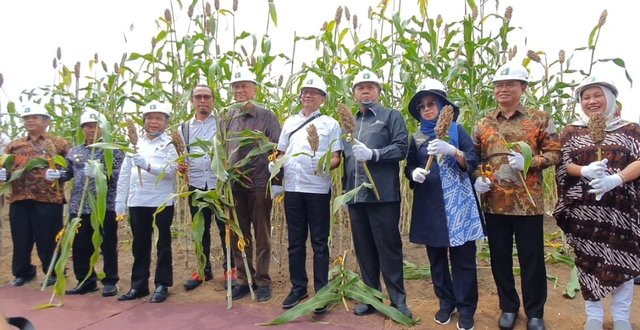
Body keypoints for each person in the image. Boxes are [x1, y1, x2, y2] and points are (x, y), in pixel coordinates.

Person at [472, 62, 561, 330]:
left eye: (509, 84)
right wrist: (479, 178)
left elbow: (556, 153)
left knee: (531, 259)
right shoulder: (484, 122)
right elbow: (475, 157)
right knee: (499, 258)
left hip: (527, 204)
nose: (503, 89)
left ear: (522, 87)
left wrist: (531, 162)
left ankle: (535, 312)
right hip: (494, 203)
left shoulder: (539, 119)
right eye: (499, 85)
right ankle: (508, 307)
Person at [553, 76, 640, 330]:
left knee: (622, 258)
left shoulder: (630, 129)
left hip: (621, 210)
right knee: (588, 260)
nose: (592, 101)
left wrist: (616, 178)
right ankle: (594, 315)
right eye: (586, 97)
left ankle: (622, 316)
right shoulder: (571, 131)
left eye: (597, 95)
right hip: (585, 210)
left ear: (610, 98)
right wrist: (584, 170)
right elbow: (562, 165)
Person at [405, 78, 483, 330]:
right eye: (422, 106)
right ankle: (446, 303)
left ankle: (467, 307)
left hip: (459, 205)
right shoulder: (416, 137)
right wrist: (414, 173)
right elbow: (408, 167)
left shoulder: (458, 132)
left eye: (431, 103)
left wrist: (453, 151)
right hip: (430, 205)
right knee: (436, 258)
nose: (427, 109)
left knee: (463, 259)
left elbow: (472, 162)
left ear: (442, 105)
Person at [342, 69, 412, 319]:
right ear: (354, 94)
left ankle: (398, 300)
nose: (365, 91)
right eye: (360, 87)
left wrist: (374, 154)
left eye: (370, 87)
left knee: (388, 248)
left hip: (382, 196)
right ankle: (371, 298)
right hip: (356, 197)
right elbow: (346, 160)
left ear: (379, 92)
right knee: (364, 249)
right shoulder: (351, 123)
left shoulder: (390, 116)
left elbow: (402, 148)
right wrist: (344, 193)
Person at [270, 73, 342, 311]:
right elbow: (280, 152)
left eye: (313, 92)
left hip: (317, 190)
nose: (307, 95)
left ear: (323, 99)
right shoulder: (290, 122)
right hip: (292, 189)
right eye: (304, 92)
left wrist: (322, 164)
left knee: (320, 242)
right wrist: (275, 166)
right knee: (295, 241)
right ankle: (298, 287)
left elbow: (336, 158)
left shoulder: (331, 124)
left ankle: (321, 291)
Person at [225, 67, 282, 302]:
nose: (240, 90)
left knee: (262, 234)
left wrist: (277, 182)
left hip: (259, 184)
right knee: (238, 233)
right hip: (234, 185)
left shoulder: (266, 116)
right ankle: (242, 278)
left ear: (254, 89)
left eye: (244, 86)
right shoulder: (227, 117)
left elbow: (278, 149)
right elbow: (221, 148)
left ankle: (263, 280)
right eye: (236, 86)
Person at [1, 103, 70, 287]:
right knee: (21, 237)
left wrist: (61, 175)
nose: (29, 120)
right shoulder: (15, 145)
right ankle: (23, 272)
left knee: (49, 237)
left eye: (35, 117)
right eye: (26, 118)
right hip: (19, 197)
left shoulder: (58, 143)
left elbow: (70, 167)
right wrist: (4, 174)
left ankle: (54, 271)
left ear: (46, 121)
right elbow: (6, 167)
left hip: (48, 197)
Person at [116, 101, 178, 303]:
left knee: (163, 244)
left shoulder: (170, 144)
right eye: (150, 118)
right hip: (137, 201)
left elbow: (171, 171)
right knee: (140, 245)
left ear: (165, 122)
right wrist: (120, 200)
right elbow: (125, 173)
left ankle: (162, 284)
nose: (153, 122)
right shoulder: (135, 144)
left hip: (161, 201)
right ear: (144, 121)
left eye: (158, 118)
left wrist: (148, 165)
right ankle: (139, 285)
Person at [61, 110, 124, 297]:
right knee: (80, 246)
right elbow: (68, 173)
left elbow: (117, 178)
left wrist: (99, 174)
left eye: (95, 125)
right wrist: (57, 175)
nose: (91, 129)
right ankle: (85, 280)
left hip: (104, 205)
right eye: (87, 126)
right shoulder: (75, 151)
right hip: (78, 206)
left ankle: (110, 281)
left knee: (107, 244)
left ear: (103, 128)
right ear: (82, 129)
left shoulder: (113, 151)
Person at [180, 84, 236, 291]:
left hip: (220, 185)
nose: (202, 101)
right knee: (199, 230)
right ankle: (203, 270)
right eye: (198, 97)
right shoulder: (184, 128)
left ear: (213, 100)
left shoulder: (223, 124)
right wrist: (180, 166)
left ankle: (230, 269)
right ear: (192, 101)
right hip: (195, 186)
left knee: (225, 229)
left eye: (206, 97)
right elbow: (180, 156)